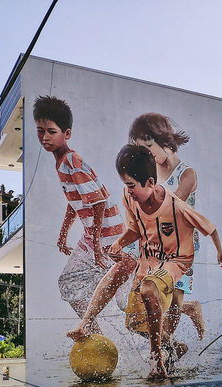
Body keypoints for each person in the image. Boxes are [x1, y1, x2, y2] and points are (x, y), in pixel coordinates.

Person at [109, 143, 222, 380]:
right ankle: (175, 346)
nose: (128, 190)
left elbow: (210, 228)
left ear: (150, 183)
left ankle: (157, 358)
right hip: (150, 260)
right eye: (125, 184)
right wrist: (119, 243)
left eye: (131, 185)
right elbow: (135, 229)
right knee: (133, 322)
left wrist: (219, 253)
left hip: (176, 260)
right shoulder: (129, 197)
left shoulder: (175, 206)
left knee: (149, 288)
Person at [33, 96, 138, 339]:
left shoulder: (72, 160)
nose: (45, 137)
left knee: (125, 302)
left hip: (107, 235)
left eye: (51, 131)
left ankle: (165, 335)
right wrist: (63, 233)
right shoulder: (62, 163)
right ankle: (93, 334)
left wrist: (99, 247)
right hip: (94, 234)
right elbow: (77, 203)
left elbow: (99, 202)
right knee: (69, 283)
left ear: (66, 133)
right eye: (40, 131)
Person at [129, 114, 206, 343]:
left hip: (181, 249)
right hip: (154, 247)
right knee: (150, 303)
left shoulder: (187, 174)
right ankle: (185, 318)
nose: (149, 156)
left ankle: (168, 345)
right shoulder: (151, 177)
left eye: (150, 148)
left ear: (165, 140)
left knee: (171, 306)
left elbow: (173, 206)